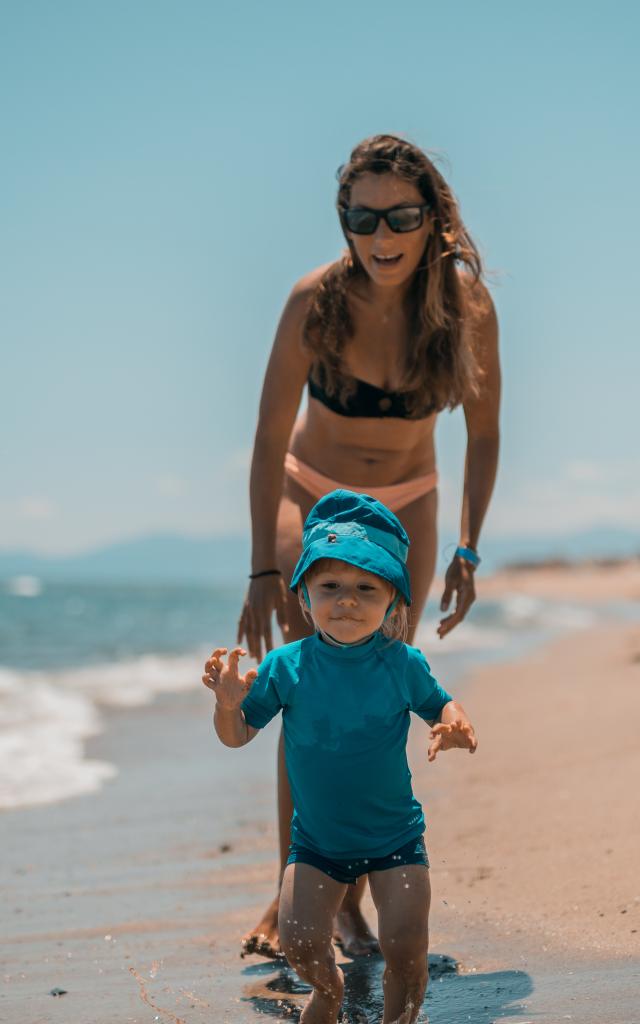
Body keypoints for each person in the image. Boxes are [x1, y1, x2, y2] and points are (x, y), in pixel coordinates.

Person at [236, 134, 500, 958]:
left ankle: (338, 889)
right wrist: (262, 568)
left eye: (401, 217)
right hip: (308, 491)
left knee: (373, 684)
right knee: (312, 685)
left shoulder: (464, 308)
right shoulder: (313, 301)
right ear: (343, 220)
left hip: (408, 502)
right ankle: (305, 896)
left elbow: (485, 435)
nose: (381, 237)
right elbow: (267, 437)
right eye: (363, 218)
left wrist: (467, 546)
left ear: (433, 218)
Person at [204, 490, 477, 1024]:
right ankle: (326, 993)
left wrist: (455, 722)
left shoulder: (402, 663)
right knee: (302, 946)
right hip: (315, 845)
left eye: (365, 587)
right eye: (330, 586)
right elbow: (236, 736)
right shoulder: (287, 666)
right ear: (304, 596)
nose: (346, 600)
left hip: (395, 839)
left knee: (406, 951)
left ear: (393, 602)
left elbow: (440, 703)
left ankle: (400, 1018)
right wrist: (226, 705)